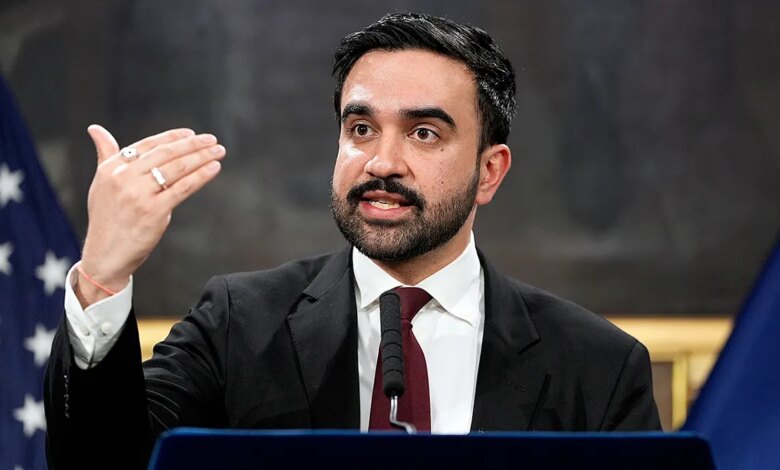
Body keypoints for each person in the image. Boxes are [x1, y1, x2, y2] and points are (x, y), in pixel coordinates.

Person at [44, 12, 661, 468]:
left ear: (489, 171)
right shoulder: (238, 324)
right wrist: (103, 275)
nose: (381, 162)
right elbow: (100, 462)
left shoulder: (597, 366)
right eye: (361, 128)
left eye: (424, 133)